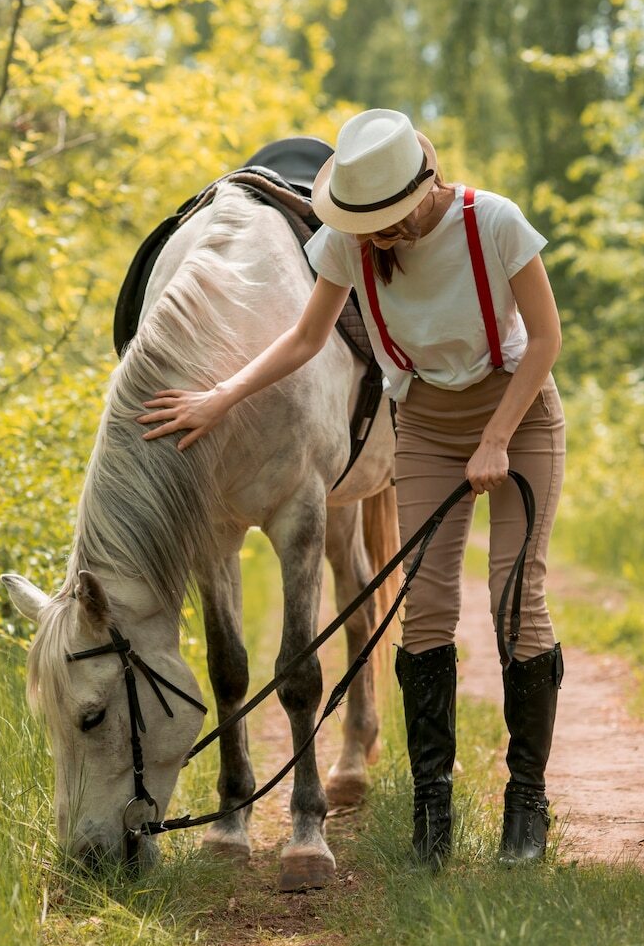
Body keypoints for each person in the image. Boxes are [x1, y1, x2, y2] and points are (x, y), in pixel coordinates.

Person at [136, 109, 565, 870]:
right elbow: (302, 339)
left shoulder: (492, 222)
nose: (374, 239)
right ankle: (432, 809)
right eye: (364, 224)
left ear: (423, 187)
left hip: (518, 405)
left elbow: (546, 337)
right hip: (427, 416)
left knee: (513, 598)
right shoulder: (346, 242)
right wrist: (219, 397)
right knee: (426, 607)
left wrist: (497, 436)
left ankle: (525, 803)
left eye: (386, 222)